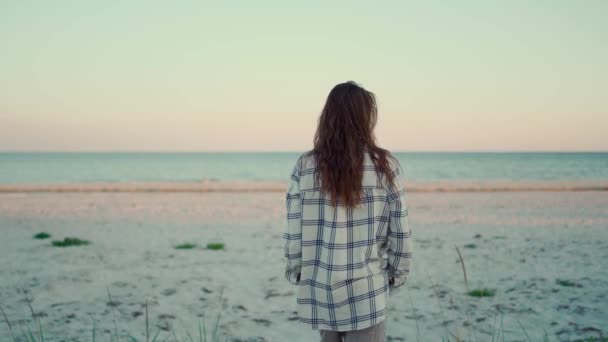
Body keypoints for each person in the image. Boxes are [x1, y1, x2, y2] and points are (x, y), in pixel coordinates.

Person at [283, 81, 413, 342]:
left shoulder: (305, 166)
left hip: (321, 289)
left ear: (328, 117)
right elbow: (400, 231)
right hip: (366, 291)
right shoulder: (384, 166)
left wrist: (296, 269)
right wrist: (396, 276)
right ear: (366, 118)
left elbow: (294, 230)